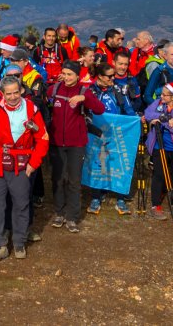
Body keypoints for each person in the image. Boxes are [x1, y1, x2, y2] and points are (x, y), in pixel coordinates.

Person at [0, 76, 49, 262]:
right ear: (2, 94)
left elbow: (43, 139)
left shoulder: (31, 109)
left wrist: (33, 164)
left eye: (15, 92)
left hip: (22, 165)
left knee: (21, 204)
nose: (12, 97)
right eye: (8, 93)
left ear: (20, 90)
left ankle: (19, 242)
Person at [49, 61, 104, 231]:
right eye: (64, 73)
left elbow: (100, 109)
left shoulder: (84, 91)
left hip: (76, 143)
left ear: (77, 76)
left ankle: (72, 217)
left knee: (73, 180)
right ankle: (59, 212)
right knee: (58, 179)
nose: (66, 77)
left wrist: (84, 98)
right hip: (56, 142)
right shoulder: (55, 89)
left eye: (70, 74)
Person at [86, 62, 134, 216]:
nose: (113, 78)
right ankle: (96, 196)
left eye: (114, 75)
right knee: (97, 162)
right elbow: (86, 110)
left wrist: (135, 121)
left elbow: (128, 108)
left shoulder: (118, 89)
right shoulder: (91, 91)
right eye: (110, 76)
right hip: (96, 132)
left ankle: (120, 196)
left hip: (117, 132)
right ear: (100, 76)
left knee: (118, 161)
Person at [144, 81, 173, 219]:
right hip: (159, 146)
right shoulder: (159, 103)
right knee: (158, 175)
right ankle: (155, 205)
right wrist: (163, 117)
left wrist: (162, 122)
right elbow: (147, 113)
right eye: (162, 94)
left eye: (165, 95)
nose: (162, 96)